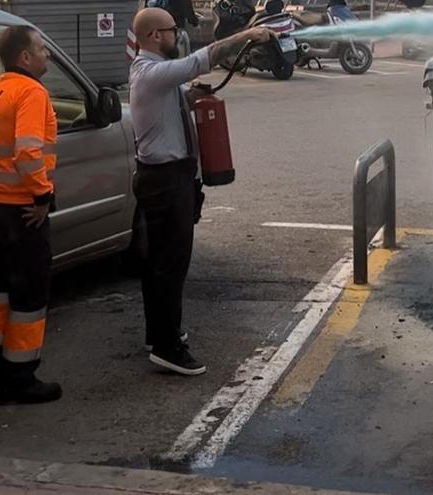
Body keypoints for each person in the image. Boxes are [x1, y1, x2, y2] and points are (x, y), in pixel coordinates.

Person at [129, 7, 274, 375]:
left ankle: (158, 333)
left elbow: (178, 91)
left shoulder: (158, 76)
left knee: (159, 263)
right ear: (153, 37)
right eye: (172, 30)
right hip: (164, 181)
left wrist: (189, 97)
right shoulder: (152, 72)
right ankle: (167, 346)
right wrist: (245, 36)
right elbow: (202, 59)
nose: (178, 35)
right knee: (170, 264)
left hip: (166, 178)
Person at [0, 25, 61, 404]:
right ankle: (20, 378)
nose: (47, 55)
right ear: (25, 57)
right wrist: (44, 196)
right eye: (42, 49)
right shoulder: (31, 92)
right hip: (21, 209)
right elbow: (26, 153)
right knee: (28, 295)